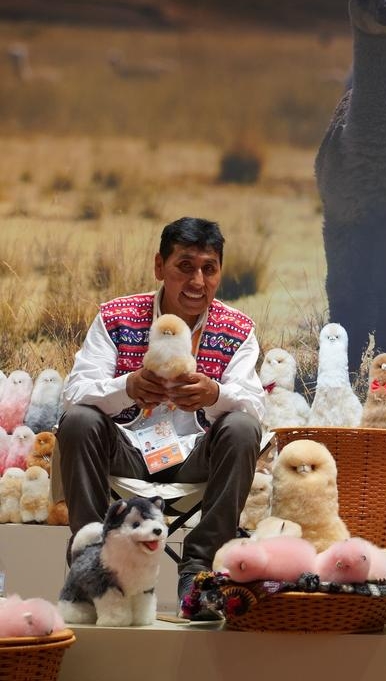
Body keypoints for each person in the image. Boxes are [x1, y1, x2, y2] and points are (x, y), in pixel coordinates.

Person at [56, 217, 265, 620]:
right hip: (128, 451)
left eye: (209, 268)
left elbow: (255, 407)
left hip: (196, 457)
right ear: (159, 267)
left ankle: (199, 569)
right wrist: (127, 387)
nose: (198, 281)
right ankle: (93, 562)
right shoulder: (116, 316)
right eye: (185, 266)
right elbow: (74, 392)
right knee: (80, 421)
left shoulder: (237, 329)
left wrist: (215, 395)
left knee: (241, 426)